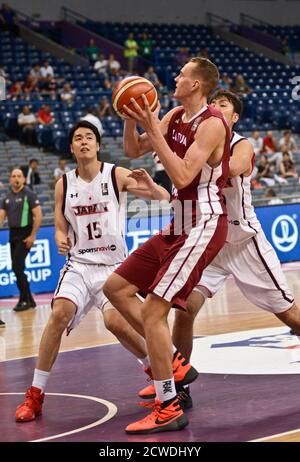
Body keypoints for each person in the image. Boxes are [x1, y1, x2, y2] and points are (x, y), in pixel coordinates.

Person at [103, 57, 231, 434]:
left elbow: (182, 174)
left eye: (182, 75)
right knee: (116, 287)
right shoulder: (175, 114)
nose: (175, 78)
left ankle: (168, 405)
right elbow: (133, 149)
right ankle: (174, 362)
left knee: (154, 312)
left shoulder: (211, 125)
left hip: (204, 222)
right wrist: (131, 116)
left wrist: (150, 126)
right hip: (180, 222)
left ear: (197, 85)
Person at [15, 120, 170, 423]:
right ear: (71, 147)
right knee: (59, 314)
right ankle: (35, 394)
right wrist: (60, 237)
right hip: (80, 265)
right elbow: (60, 223)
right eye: (78, 138)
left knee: (116, 322)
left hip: (113, 267)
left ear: (98, 145)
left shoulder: (115, 174)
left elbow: (162, 197)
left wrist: (153, 188)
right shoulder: (64, 182)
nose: (84, 141)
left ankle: (156, 370)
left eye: (89, 137)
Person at [164, 90, 300, 405]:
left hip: (242, 244)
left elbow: (235, 167)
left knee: (289, 314)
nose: (215, 107)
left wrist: (189, 162)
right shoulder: (196, 141)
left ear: (234, 117)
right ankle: (180, 388)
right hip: (208, 242)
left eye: (223, 105)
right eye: (214, 103)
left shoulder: (241, 144)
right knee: (183, 310)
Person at [0, 168, 42, 312]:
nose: (16, 178)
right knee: (17, 268)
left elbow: (39, 216)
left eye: (19, 176)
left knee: (17, 267)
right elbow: (1, 217)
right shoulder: (7, 198)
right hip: (13, 235)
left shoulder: (29, 194)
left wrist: (32, 235)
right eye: (13, 176)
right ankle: (29, 300)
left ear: (24, 179)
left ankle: (24, 300)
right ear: (10, 179)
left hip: (25, 235)